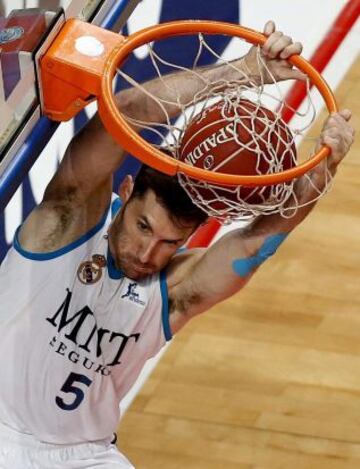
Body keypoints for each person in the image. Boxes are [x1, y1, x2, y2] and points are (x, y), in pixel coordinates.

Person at [0, 20, 354, 469]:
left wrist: (326, 167)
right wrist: (247, 70)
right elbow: (124, 112)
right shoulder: (67, 220)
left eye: (170, 242)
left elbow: (254, 244)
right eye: (143, 227)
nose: (147, 254)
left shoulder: (171, 293)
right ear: (125, 191)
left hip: (85, 456)